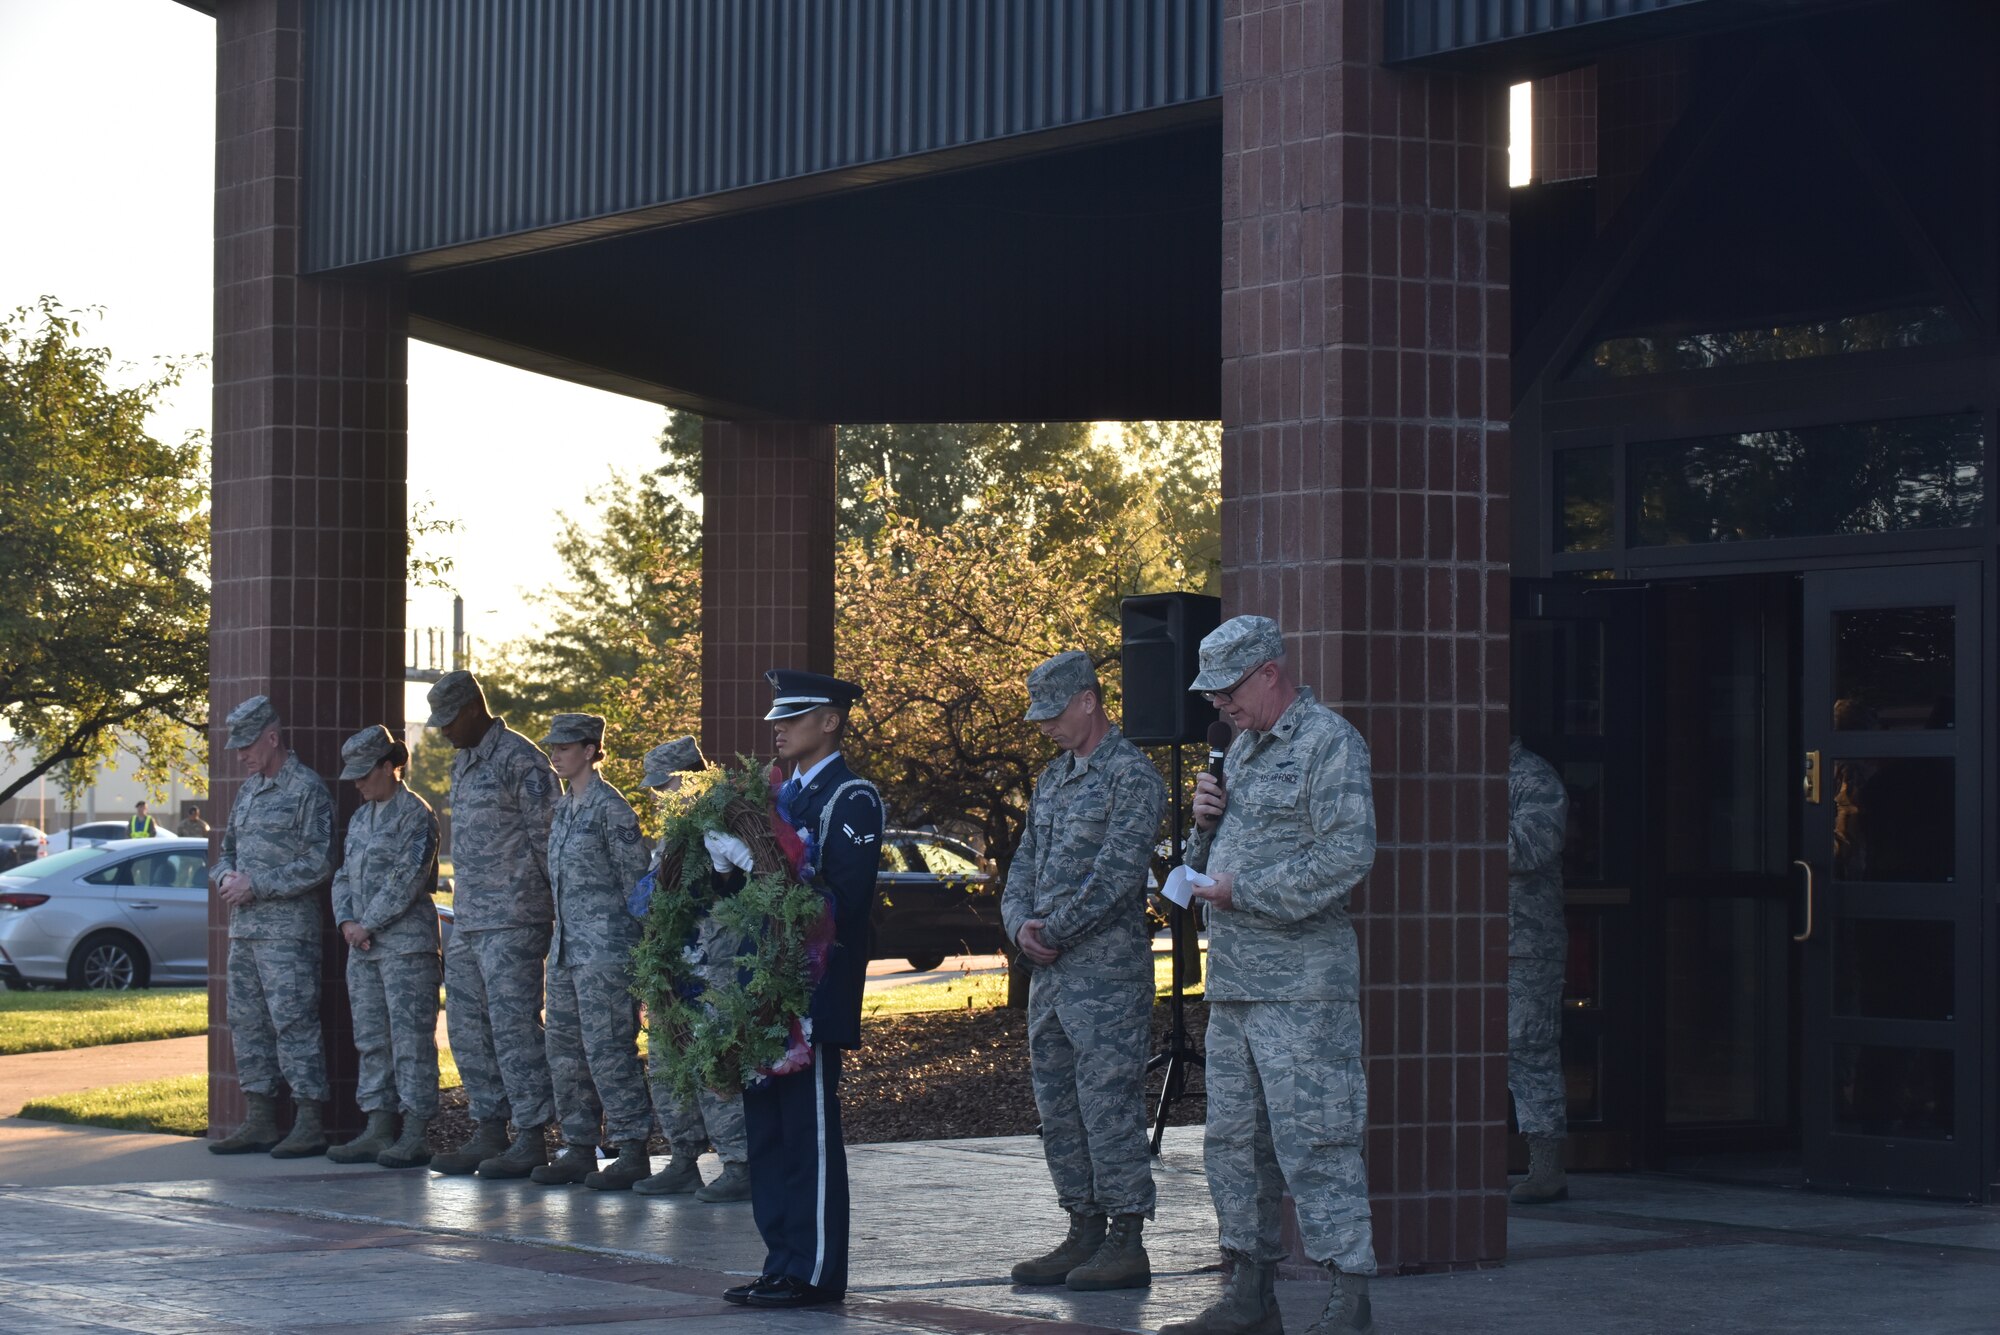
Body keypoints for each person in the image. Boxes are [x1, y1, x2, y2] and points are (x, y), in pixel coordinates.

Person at [1165, 616, 1380, 1335]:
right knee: (1232, 1145)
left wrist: (1241, 890)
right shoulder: (1242, 751)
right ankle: (1250, 1295)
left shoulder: (1329, 743)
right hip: (1235, 990)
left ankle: (1349, 1301)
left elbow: (1346, 856)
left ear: (1268, 672)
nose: (1218, 706)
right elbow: (1209, 862)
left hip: (1301, 992)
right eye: (1211, 696)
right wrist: (1200, 824)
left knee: (1317, 1141)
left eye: (1226, 691)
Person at [1002, 650, 1167, 1291]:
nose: (1044, 725)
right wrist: (1019, 926)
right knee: (1060, 1107)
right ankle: (1084, 1229)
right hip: (1051, 979)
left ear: (1088, 701)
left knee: (1107, 1107)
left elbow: (1119, 877)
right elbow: (1022, 865)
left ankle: (1128, 1239)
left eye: (1052, 712)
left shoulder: (1132, 776)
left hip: (1106, 979)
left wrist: (1054, 931)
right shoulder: (1052, 779)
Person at [722, 670, 882, 1310]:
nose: (778, 729)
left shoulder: (850, 797)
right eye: (775, 720)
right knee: (768, 1135)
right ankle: (781, 1261)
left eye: (793, 717)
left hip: (809, 994)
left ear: (831, 721)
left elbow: (842, 900)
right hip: (760, 989)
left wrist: (771, 873)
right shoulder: (772, 797)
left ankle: (814, 1271)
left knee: (808, 1134)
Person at [419, 670, 561, 1179]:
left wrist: (558, 912)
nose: (443, 731)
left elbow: (550, 842)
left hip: (516, 919)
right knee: (467, 1028)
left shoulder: (521, 760)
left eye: (449, 720)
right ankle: (489, 1128)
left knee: (514, 1027)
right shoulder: (464, 762)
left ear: (474, 709)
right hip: (473, 917)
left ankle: (531, 1134)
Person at [632, 735, 772, 1203]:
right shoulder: (678, 827)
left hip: (716, 963)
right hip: (675, 963)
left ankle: (739, 1162)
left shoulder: (719, 822)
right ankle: (682, 1157)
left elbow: (746, 884)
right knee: (670, 1061)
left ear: (691, 777)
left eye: (666, 784)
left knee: (714, 1060)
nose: (660, 795)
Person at [207, 695, 336, 1158]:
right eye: (237, 747)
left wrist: (256, 885)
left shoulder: (306, 789)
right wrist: (225, 877)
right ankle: (260, 1119)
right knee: (247, 1023)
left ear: (273, 738)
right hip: (245, 932)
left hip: (288, 934)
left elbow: (320, 862)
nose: (241, 755)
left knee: (294, 1023)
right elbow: (225, 853)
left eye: (247, 745)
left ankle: (309, 1122)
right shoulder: (248, 790)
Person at [535, 712, 655, 1190]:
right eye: (552, 748)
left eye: (564, 747)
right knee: (563, 1051)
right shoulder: (564, 810)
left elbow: (637, 887)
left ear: (590, 750)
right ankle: (579, 1147)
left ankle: (631, 1148)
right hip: (565, 951)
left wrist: (643, 955)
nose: (555, 755)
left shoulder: (612, 810)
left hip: (607, 952)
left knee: (608, 1049)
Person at [327, 725, 444, 1170]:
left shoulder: (416, 815)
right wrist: (347, 922)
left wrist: (367, 923)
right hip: (364, 947)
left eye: (363, 773)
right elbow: (342, 875)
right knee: (372, 1039)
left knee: (411, 1040)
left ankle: (415, 1131)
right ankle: (378, 1126)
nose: (356, 783)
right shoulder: (361, 818)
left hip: (405, 948)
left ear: (387, 766)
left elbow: (408, 880)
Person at [1506, 737, 1570, 1204]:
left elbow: (1529, 850)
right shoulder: (1461, 775)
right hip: (1467, 942)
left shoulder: (1533, 776)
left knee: (1528, 1049)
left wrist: (1459, 817)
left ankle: (1547, 1167)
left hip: (1525, 944)